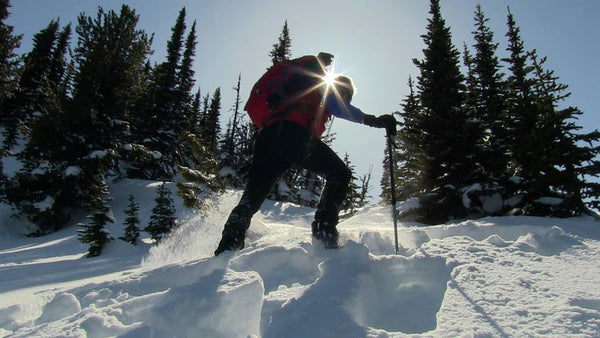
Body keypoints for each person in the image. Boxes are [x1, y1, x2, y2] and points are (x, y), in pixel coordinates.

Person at [214, 53, 396, 255]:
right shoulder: (325, 89)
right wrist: (375, 120)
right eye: (348, 96)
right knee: (340, 174)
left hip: (267, 137)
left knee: (251, 197)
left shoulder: (298, 88)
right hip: (292, 133)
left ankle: (229, 242)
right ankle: (324, 231)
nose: (346, 99)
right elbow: (339, 107)